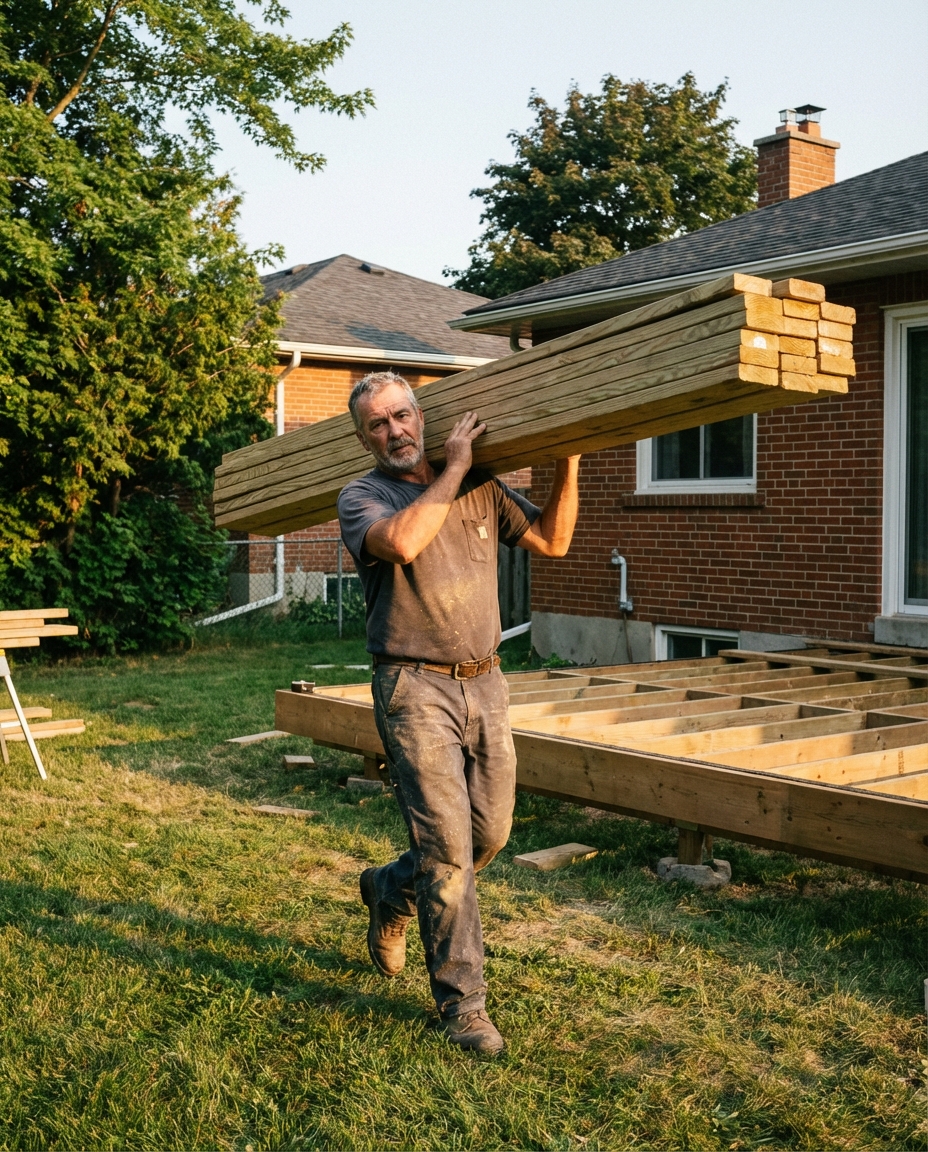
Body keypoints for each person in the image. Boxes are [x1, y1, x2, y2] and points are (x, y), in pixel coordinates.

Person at [337, 370, 579, 1056]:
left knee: (487, 838)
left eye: (403, 416)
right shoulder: (363, 496)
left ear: (422, 415)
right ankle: (463, 1007)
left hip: (487, 680)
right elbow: (406, 543)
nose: (395, 432)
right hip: (412, 687)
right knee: (448, 855)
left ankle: (389, 887)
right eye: (379, 424)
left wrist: (571, 455)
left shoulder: (480, 489)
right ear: (363, 437)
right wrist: (458, 466)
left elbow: (554, 542)